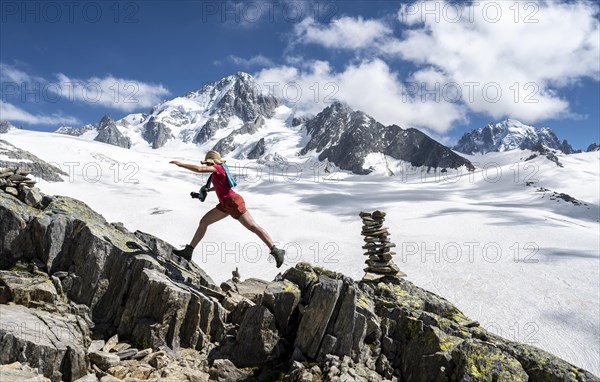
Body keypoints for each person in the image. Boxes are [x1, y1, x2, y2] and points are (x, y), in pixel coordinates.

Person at [169, 150, 285, 267]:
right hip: (225, 205)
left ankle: (275, 250)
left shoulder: (217, 168)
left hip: (233, 202)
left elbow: (199, 169)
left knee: (252, 226)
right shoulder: (219, 171)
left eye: (207, 163)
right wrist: (209, 190)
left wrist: (181, 164)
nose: (207, 165)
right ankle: (189, 251)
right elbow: (222, 185)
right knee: (204, 222)